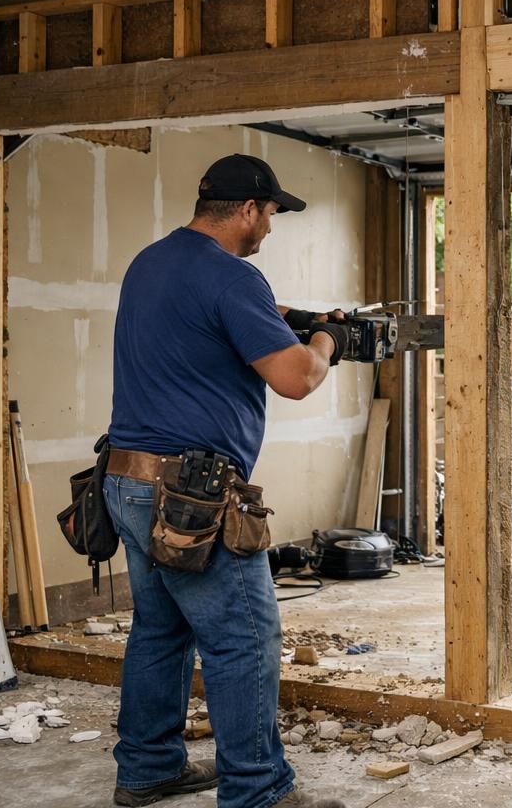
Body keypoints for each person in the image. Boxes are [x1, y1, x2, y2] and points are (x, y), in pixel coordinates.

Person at [104, 153, 347, 808]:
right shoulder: (234, 278)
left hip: (126, 480)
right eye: (269, 213)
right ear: (246, 210)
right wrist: (326, 341)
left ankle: (149, 769)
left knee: (161, 629)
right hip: (190, 497)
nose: (269, 227)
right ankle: (258, 791)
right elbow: (296, 377)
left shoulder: (151, 263)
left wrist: (279, 315)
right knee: (243, 638)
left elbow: (201, 331)